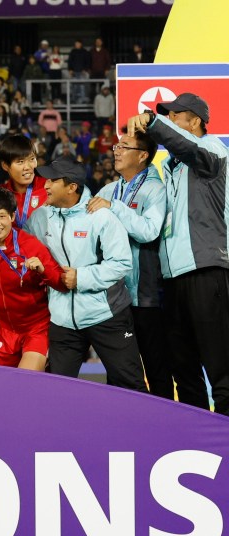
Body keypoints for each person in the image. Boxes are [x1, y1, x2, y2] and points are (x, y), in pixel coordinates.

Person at [129, 93, 228, 411]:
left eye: (176, 116)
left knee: (219, 363)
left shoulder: (212, 151)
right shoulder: (171, 169)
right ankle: (196, 433)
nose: (170, 120)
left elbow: (186, 145)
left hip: (206, 270)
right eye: (167, 116)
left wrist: (154, 121)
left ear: (195, 121)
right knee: (183, 366)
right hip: (173, 280)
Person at [33, 156, 146, 390]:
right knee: (56, 390)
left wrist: (81, 278)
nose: (45, 185)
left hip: (106, 315)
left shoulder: (100, 216)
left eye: (52, 180)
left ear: (71, 187)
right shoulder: (40, 217)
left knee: (130, 385)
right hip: (62, 319)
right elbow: (20, 243)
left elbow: (121, 263)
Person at [87, 130, 170, 398]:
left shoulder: (156, 189)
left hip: (146, 296)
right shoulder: (109, 189)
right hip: (114, 297)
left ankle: (165, 426)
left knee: (156, 367)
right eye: (116, 146)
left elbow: (148, 230)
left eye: (125, 146)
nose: (117, 151)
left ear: (143, 155)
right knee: (118, 370)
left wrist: (114, 208)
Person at [0, 187, 65, 370]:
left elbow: (61, 283)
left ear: (12, 217)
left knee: (25, 381)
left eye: (2, 216)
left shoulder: (30, 245)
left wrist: (43, 270)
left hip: (36, 329)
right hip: (3, 330)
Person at [0, 135, 49, 234]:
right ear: (5, 166)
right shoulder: (0, 195)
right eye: (20, 161)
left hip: (43, 248)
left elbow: (75, 198)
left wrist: (87, 199)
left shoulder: (48, 186)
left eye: (32, 159)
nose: (27, 167)